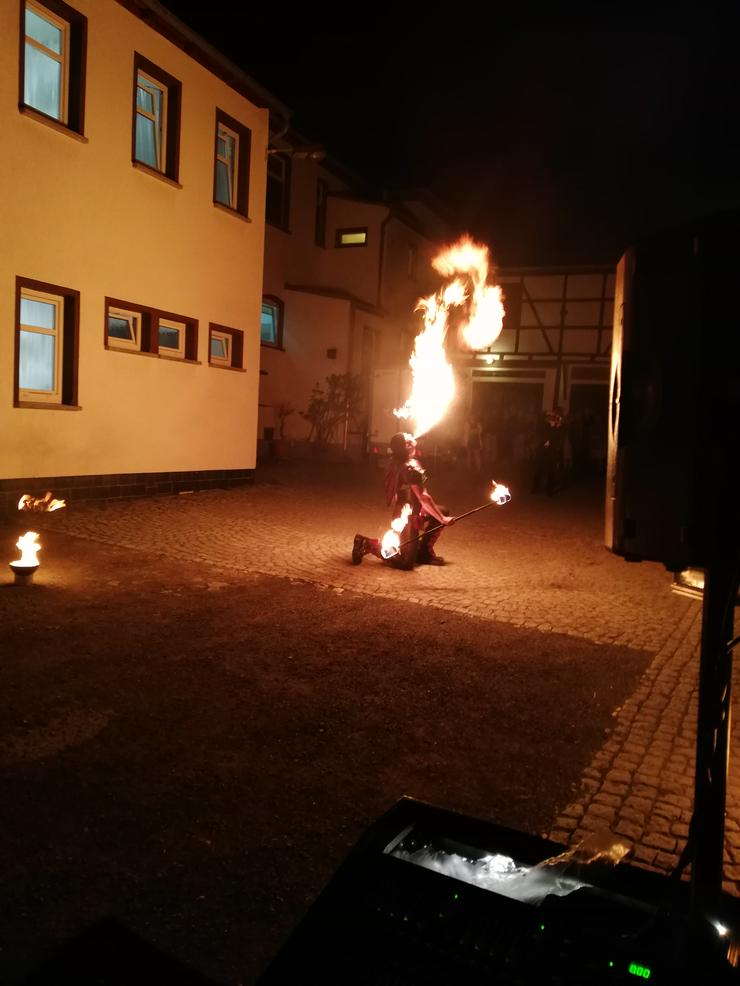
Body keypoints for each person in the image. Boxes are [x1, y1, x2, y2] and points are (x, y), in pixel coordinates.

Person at [352, 432, 454, 569]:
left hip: (413, 510)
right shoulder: (410, 468)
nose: (411, 436)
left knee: (443, 510)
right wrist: (442, 519)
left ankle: (423, 553)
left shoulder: (397, 462)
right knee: (406, 563)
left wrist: (438, 514)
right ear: (407, 446)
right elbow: (423, 497)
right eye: (407, 437)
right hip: (407, 516)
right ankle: (367, 543)